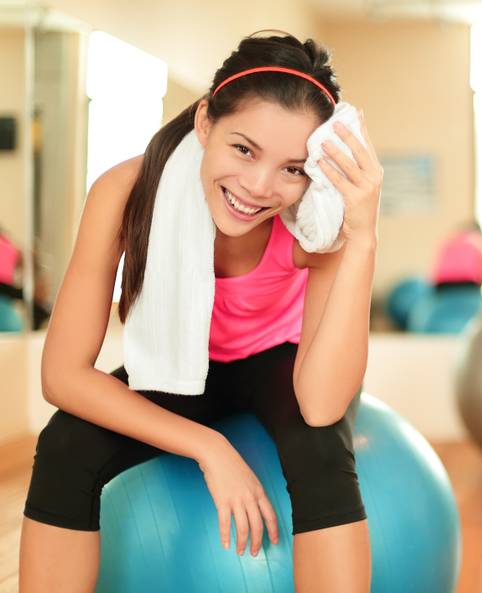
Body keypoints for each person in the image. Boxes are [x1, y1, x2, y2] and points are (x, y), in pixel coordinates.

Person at [18, 31, 382, 593]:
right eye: (244, 149)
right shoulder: (125, 191)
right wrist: (209, 447)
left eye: (291, 168)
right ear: (206, 121)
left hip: (285, 363)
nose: (258, 187)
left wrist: (361, 237)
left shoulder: (317, 220)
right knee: (66, 443)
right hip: (182, 368)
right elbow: (62, 376)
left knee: (319, 445)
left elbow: (320, 403)